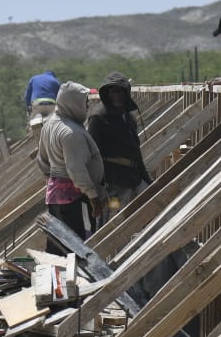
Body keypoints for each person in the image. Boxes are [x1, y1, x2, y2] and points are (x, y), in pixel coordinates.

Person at [36, 80, 104, 254]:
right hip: (75, 198)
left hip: (55, 195)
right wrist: (93, 196)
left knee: (58, 243)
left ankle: (56, 278)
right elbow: (76, 169)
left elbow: (42, 161)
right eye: (85, 101)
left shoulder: (50, 124)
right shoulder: (71, 132)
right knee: (77, 245)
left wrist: (55, 181)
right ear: (74, 103)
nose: (87, 106)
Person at [84, 71, 152, 219]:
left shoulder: (128, 117)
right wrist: (97, 189)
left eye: (120, 91)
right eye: (113, 91)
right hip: (112, 183)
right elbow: (93, 155)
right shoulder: (98, 118)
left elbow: (136, 152)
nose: (117, 95)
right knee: (115, 219)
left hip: (133, 178)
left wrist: (147, 180)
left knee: (149, 209)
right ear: (107, 94)